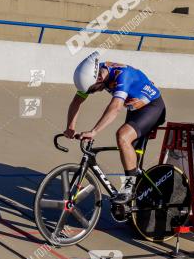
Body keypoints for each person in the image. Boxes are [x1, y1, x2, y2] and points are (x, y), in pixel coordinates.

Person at [64, 52, 165, 202]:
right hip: (135, 109)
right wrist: (70, 127)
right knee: (131, 157)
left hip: (152, 107)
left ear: (99, 78)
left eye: (92, 89)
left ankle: (128, 189)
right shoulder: (94, 74)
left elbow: (116, 107)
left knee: (122, 136)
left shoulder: (122, 75)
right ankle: (132, 197)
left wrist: (94, 131)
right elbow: (76, 101)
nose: (92, 92)